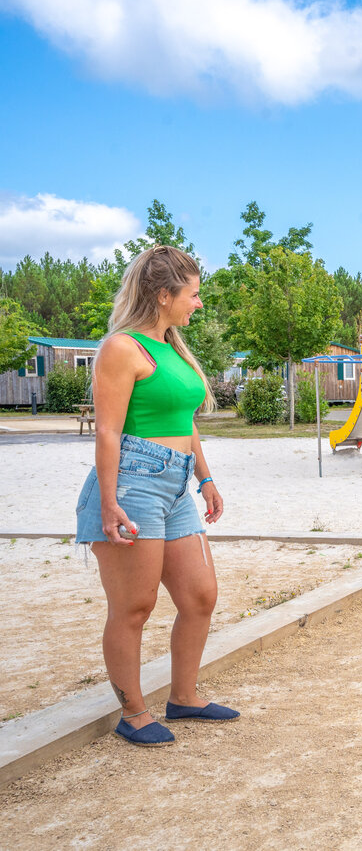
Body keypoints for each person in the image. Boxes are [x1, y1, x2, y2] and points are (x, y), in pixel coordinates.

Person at [75, 245, 237, 747]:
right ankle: (134, 713)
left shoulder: (173, 349)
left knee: (200, 596)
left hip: (176, 483)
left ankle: (184, 698)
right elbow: (107, 433)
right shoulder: (122, 347)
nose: (199, 303)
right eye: (193, 293)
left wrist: (205, 478)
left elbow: (185, 421)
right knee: (135, 606)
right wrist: (108, 501)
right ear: (164, 294)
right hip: (133, 483)